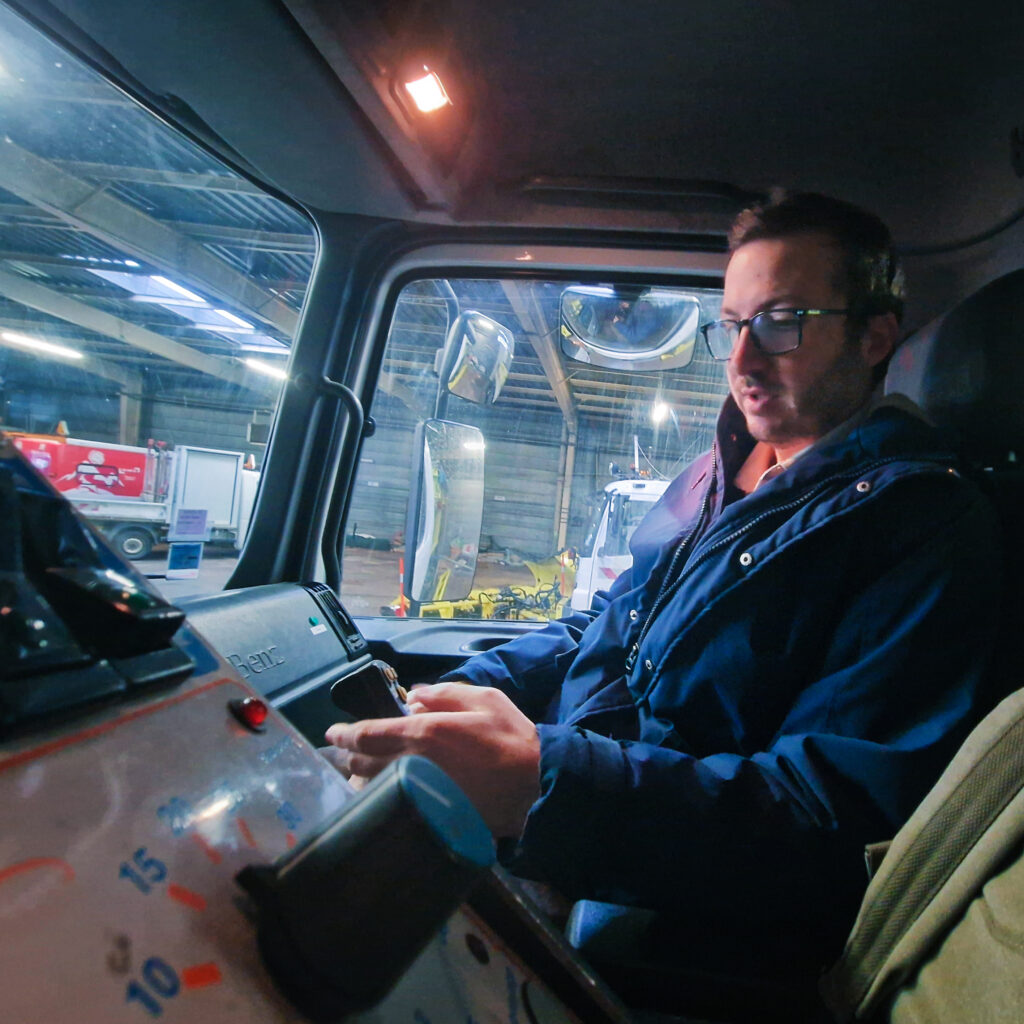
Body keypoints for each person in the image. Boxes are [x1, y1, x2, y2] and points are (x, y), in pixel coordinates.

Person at [325, 193, 1000, 977]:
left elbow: (826, 817)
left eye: (782, 322)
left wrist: (546, 784)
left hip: (666, 918)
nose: (743, 360)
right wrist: (458, 691)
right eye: (733, 324)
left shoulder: (919, 526)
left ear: (875, 335)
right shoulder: (719, 470)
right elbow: (608, 622)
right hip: (568, 845)